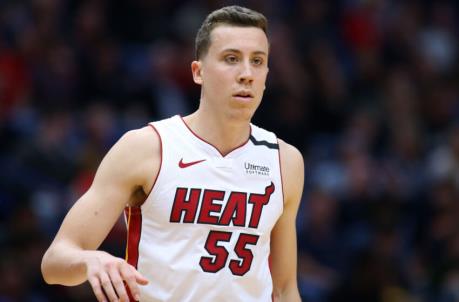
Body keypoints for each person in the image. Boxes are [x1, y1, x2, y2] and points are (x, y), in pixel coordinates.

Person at [41, 5, 304, 302]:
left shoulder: (285, 161)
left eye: (257, 61)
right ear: (198, 71)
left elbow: (284, 289)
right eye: (231, 59)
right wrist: (91, 260)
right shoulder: (147, 148)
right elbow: (55, 261)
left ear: (267, 75)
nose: (246, 74)